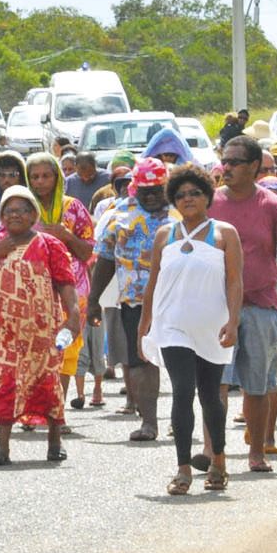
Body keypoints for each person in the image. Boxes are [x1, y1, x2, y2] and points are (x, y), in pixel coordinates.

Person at [0, 185, 81, 465]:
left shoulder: (49, 244)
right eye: (9, 211)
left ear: (33, 213)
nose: (15, 216)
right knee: (4, 383)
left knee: (46, 381)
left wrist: (73, 315)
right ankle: (3, 449)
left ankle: (55, 441)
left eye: (22, 210)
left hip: (40, 332)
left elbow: (65, 283)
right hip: (2, 332)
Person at [210, 134, 277, 471]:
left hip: (261, 305)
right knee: (217, 383)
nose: (227, 168)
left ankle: (256, 453)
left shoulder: (274, 206)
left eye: (235, 162)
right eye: (225, 161)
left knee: (258, 386)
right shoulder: (209, 203)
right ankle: (214, 453)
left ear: (254, 167)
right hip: (216, 309)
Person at [140, 165, 242, 492]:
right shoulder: (164, 236)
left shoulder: (224, 233)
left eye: (195, 193)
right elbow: (153, 283)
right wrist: (145, 325)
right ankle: (183, 468)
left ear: (207, 196)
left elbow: (235, 281)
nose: (188, 199)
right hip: (172, 325)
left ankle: (219, 460)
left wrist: (233, 321)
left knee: (210, 395)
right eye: (181, 195)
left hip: (212, 325)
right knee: (182, 392)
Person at [91, 158, 172, 443]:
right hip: (135, 302)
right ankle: (149, 422)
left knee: (181, 363)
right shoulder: (119, 213)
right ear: (134, 187)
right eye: (144, 190)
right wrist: (93, 301)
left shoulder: (182, 210)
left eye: (157, 189)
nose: (151, 195)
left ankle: (180, 418)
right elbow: (104, 259)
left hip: (177, 300)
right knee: (140, 361)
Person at [24, 153, 97, 412]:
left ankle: (57, 409)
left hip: (71, 289)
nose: (41, 181)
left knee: (65, 349)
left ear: (57, 178)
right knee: (34, 349)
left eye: (46, 176)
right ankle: (32, 409)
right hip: (32, 291)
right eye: (35, 176)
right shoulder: (22, 208)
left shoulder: (73, 207)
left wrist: (65, 235)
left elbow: (88, 252)